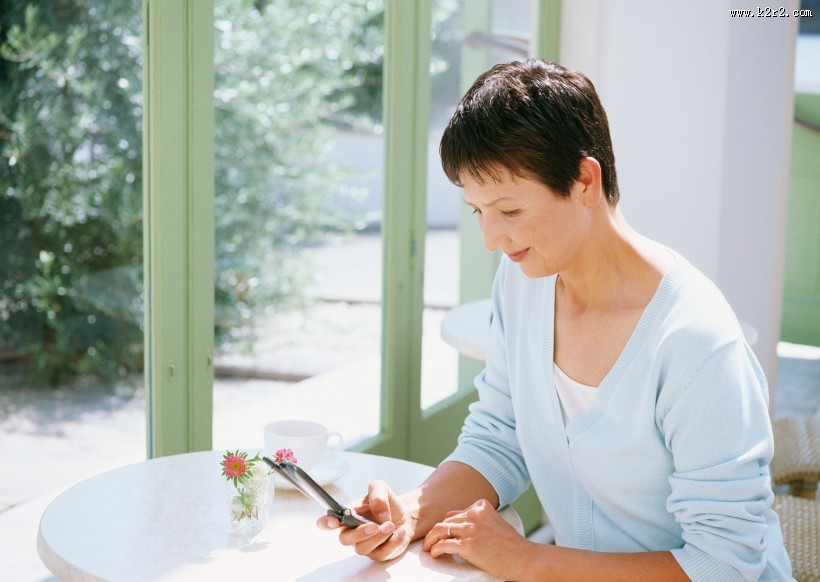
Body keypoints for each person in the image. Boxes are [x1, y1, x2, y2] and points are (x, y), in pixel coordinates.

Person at [317, 59, 793, 581]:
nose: (492, 240)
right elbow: (501, 436)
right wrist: (410, 512)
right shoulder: (523, 282)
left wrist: (528, 561)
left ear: (585, 180)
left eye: (510, 211)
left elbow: (726, 565)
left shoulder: (695, 342)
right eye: (478, 211)